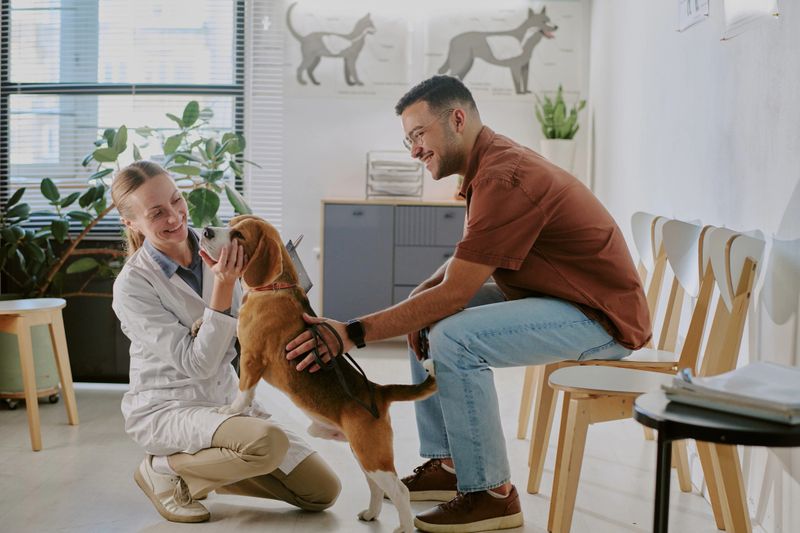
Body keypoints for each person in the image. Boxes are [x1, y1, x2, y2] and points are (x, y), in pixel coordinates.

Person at [285, 75, 651, 533]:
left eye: (419, 135)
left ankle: (492, 494)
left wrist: (353, 333)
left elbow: (456, 293)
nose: (414, 150)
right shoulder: (488, 165)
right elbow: (462, 265)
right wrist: (421, 297)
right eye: (408, 140)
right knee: (428, 312)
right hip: (560, 297)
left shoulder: (504, 176)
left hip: (600, 320)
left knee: (452, 334)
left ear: (457, 119)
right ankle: (449, 464)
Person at [111, 161, 340, 523]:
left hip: (222, 399)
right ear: (132, 223)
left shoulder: (220, 245)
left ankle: (205, 470)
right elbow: (197, 365)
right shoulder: (133, 285)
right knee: (267, 443)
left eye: (176, 200)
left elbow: (258, 321)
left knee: (322, 492)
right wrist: (223, 286)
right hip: (169, 406)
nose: (174, 217)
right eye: (156, 213)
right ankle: (162, 468)